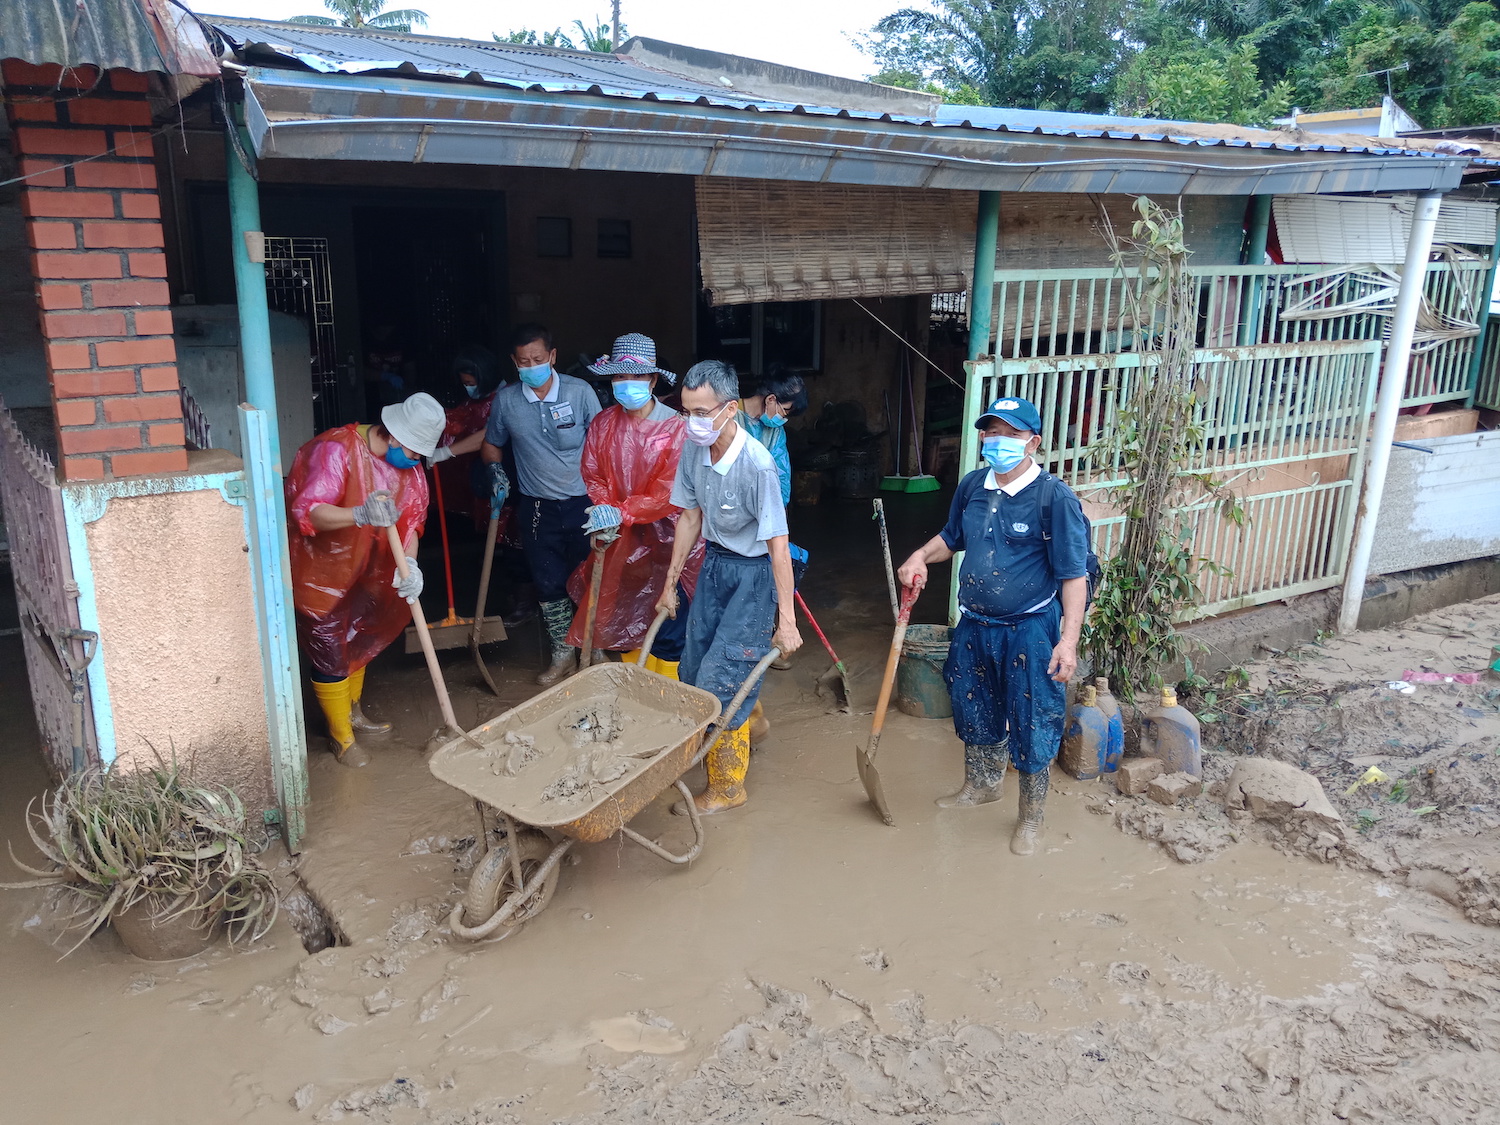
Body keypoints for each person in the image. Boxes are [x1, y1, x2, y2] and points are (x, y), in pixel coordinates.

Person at [896, 396, 1089, 856]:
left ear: (1033, 442)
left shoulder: (1052, 498)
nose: (996, 441)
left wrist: (1067, 641)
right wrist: (921, 556)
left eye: (1010, 433)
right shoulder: (972, 487)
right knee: (972, 704)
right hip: (975, 623)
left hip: (1029, 628)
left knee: (1032, 717)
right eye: (990, 431)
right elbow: (952, 538)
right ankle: (982, 786)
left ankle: (1030, 818)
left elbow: (1073, 575)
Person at [658, 360, 803, 815]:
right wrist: (669, 585)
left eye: (702, 412)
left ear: (731, 408)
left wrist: (787, 621)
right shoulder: (692, 450)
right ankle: (747, 726)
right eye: (686, 412)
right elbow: (688, 516)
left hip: (756, 574)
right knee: (693, 667)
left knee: (721, 681)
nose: (693, 422)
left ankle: (726, 787)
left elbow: (779, 546)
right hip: (716, 566)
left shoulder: (757, 465)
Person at [286, 392, 444, 767]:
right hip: (323, 573)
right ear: (389, 434)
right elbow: (307, 513)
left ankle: (353, 712)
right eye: (412, 450)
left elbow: (412, 523)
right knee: (329, 650)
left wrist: (410, 564)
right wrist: (359, 513)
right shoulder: (335, 450)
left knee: (359, 636)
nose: (416, 459)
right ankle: (341, 736)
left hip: (370, 571)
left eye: (421, 454)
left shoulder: (410, 467)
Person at [563, 333, 704, 675]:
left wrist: (621, 511)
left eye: (635, 376)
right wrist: (604, 510)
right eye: (619, 377)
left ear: (653, 380)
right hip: (620, 539)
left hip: (672, 541)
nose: (626, 384)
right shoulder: (603, 423)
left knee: (669, 625)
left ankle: (666, 693)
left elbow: (666, 492)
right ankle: (636, 691)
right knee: (626, 621)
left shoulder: (677, 429)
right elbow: (593, 473)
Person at [480, 323, 602, 685]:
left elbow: (603, 443)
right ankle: (563, 653)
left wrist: (607, 497)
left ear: (552, 356)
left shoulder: (580, 393)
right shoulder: (507, 401)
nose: (530, 365)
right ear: (513, 363)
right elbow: (491, 443)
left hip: (584, 503)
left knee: (591, 577)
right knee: (548, 583)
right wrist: (495, 471)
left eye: (537, 358)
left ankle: (594, 647)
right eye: (523, 361)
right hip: (536, 508)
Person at [739, 366, 808, 506]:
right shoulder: (727, 416)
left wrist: (777, 510)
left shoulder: (775, 431)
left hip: (758, 509)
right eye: (786, 411)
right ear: (771, 399)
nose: (784, 418)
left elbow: (781, 474)